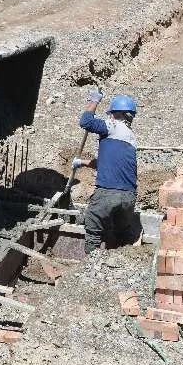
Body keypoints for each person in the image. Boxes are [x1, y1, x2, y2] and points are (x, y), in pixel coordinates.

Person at [72, 92, 138, 255]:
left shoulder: (112, 126)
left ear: (116, 114)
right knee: (122, 235)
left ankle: (89, 267)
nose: (109, 117)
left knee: (93, 232)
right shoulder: (131, 138)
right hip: (129, 197)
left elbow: (86, 121)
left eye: (111, 114)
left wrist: (94, 100)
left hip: (108, 193)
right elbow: (107, 164)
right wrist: (82, 163)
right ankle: (122, 262)